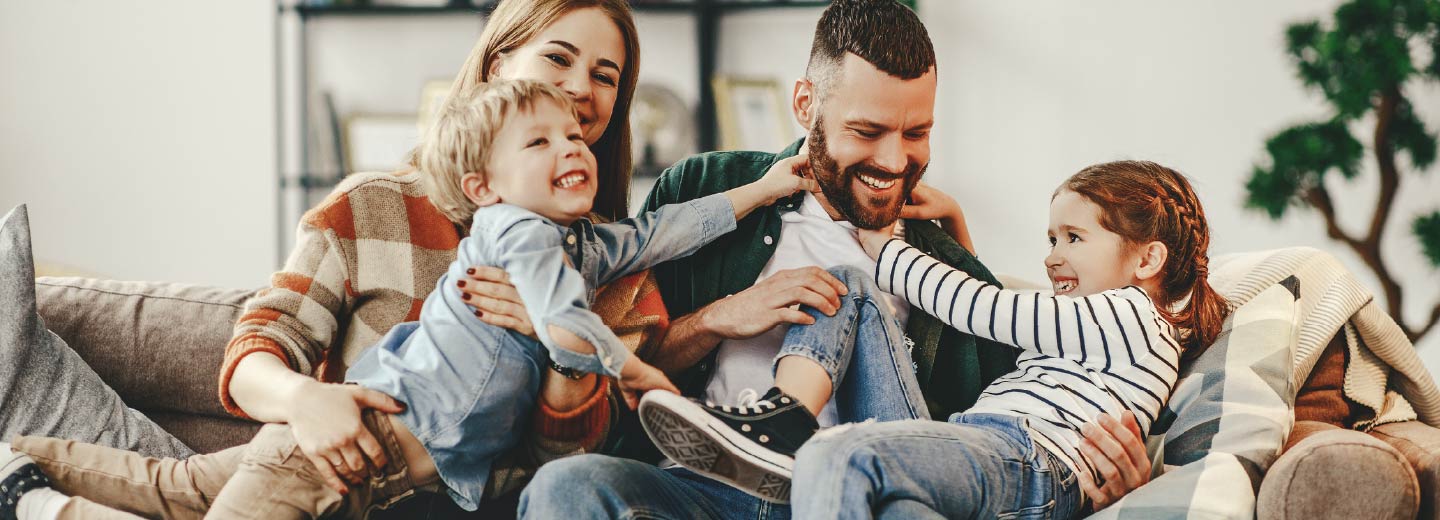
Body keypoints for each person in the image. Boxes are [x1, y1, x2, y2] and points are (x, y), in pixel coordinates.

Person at [0, 78, 818, 520]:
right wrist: (645, 380)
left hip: (382, 475)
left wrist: (762, 188)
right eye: (542, 140)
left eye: (579, 134)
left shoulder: (583, 246)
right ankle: (40, 503)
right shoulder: (517, 235)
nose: (574, 145)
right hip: (348, 439)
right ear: (483, 187)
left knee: (172, 489)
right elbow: (568, 326)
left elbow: (667, 228)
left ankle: (18, 464)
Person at [0, 0, 655, 517]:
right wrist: (306, 400)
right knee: (175, 486)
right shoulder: (372, 207)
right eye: (558, 60)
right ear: (496, 69)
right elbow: (257, 348)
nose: (580, 89)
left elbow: (568, 464)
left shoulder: (607, 261)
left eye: (605, 76)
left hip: (471, 503)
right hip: (336, 483)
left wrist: (555, 336)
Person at [514, 1, 1157, 518]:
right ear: (805, 106)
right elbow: (620, 370)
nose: (894, 162)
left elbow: (1005, 421)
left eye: (917, 132)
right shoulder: (707, 190)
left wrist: (1104, 473)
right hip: (703, 491)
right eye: (866, 131)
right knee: (563, 489)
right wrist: (718, 318)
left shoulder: (938, 260)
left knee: (848, 287)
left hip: (855, 495)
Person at [645, 159, 1228, 515]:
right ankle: (781, 418)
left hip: (1025, 459)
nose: (1052, 258)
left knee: (838, 452)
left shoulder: (1129, 315)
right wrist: (955, 227)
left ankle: (790, 429)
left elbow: (983, 310)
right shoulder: (1096, 329)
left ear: (1149, 257)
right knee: (843, 286)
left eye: (1073, 238)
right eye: (1051, 240)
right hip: (982, 451)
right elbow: (1003, 332)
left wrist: (883, 244)